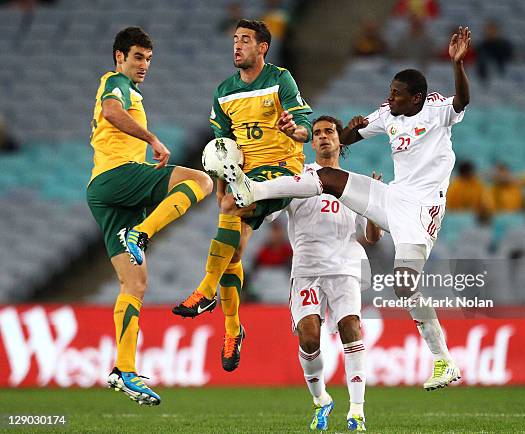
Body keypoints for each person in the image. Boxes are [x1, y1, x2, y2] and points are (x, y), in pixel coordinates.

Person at [225, 26, 472, 390]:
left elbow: (462, 101)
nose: (390, 99)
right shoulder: (389, 113)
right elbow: (349, 135)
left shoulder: (436, 109)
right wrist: (340, 131)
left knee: (405, 286)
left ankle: (442, 360)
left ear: (416, 97)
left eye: (397, 94)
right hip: (393, 196)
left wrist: (457, 64)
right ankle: (254, 189)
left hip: (422, 211)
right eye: (390, 92)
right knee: (326, 176)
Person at [171, 20, 312, 373]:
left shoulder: (281, 79)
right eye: (235, 40)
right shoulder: (223, 93)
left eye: (245, 40)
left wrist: (293, 129)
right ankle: (233, 330)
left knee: (232, 208)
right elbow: (222, 147)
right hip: (243, 179)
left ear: (263, 47)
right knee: (233, 250)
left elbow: (305, 126)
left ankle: (205, 291)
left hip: (281, 171)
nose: (237, 45)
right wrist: (221, 182)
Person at [86, 27, 213, 405]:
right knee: (201, 181)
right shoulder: (116, 83)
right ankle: (140, 234)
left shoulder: (128, 88)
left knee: (135, 284)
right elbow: (111, 111)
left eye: (148, 60)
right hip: (117, 175)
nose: (144, 65)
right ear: (119, 57)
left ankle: (124, 370)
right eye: (138, 57)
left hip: (106, 193)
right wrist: (152, 139)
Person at [279, 116, 381, 431]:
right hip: (307, 269)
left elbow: (373, 237)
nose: (323, 137)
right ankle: (321, 399)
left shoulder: (357, 182)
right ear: (312, 143)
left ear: (339, 140)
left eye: (330, 131)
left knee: (351, 327)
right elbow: (270, 212)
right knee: (309, 338)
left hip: (345, 267)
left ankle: (357, 411)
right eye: (318, 133)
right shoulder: (298, 178)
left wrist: (374, 205)